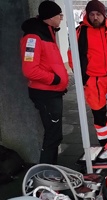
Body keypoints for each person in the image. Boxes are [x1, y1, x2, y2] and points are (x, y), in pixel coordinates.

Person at [68, 0, 107, 146]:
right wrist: (83, 77)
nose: (95, 17)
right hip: (93, 81)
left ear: (104, 15)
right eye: (92, 14)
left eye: (98, 14)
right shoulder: (79, 32)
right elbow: (72, 57)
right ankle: (105, 145)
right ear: (87, 15)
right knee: (99, 115)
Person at [20, 1, 68, 164]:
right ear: (50, 17)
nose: (61, 18)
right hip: (45, 93)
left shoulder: (48, 32)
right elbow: (29, 70)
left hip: (52, 92)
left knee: (54, 135)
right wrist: (54, 79)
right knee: (53, 136)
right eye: (59, 15)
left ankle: (50, 171)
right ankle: (46, 175)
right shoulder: (33, 37)